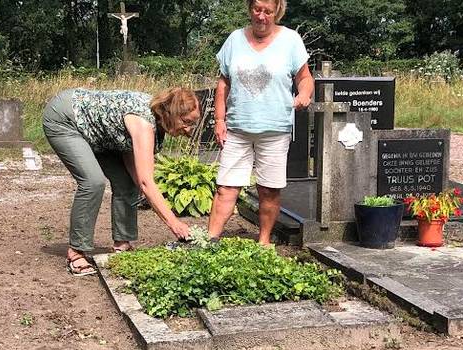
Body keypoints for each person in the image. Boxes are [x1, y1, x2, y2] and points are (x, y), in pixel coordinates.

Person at [43, 87, 199, 276]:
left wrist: (144, 188)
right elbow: (147, 182)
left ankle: (122, 244)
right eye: (186, 122)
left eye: (193, 123)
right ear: (171, 114)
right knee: (93, 182)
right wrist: (174, 223)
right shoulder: (143, 124)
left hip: (99, 132)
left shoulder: (155, 121)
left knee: (127, 182)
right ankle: (76, 252)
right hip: (66, 118)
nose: (189, 129)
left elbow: (138, 175)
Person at [207, 0, 314, 246]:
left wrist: (304, 94)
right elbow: (223, 83)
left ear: (277, 12)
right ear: (249, 9)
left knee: (269, 189)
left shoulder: (291, 40)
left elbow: (305, 77)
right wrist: (219, 119)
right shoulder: (234, 39)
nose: (261, 16)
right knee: (226, 187)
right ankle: (210, 240)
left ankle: (263, 242)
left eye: (268, 11)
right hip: (237, 127)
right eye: (257, 9)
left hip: (275, 128)